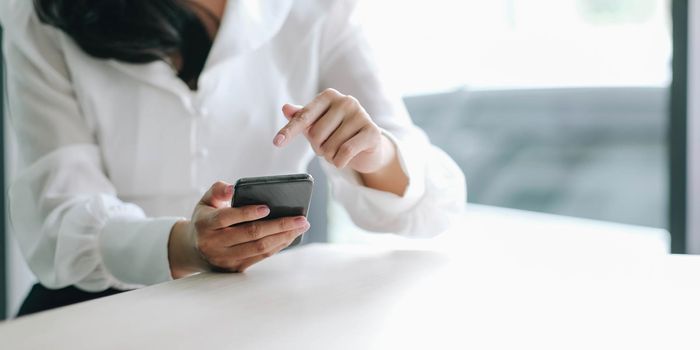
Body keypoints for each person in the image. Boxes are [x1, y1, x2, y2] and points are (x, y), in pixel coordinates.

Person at [0, 0, 466, 316]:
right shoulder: (40, 16)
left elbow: (431, 207)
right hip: (94, 312)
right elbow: (58, 215)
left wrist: (374, 150)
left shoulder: (316, 10)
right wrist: (185, 245)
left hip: (258, 312)